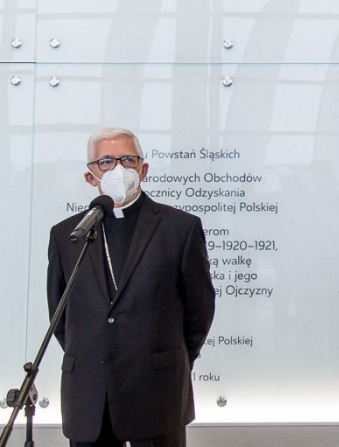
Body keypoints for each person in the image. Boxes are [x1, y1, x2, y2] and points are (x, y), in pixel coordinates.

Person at [47, 127, 216, 446]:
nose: (118, 168)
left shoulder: (179, 228)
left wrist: (171, 357)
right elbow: (60, 315)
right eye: (106, 161)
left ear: (144, 169)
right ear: (90, 176)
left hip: (157, 389)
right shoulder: (67, 234)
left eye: (128, 159)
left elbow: (200, 311)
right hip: (89, 394)